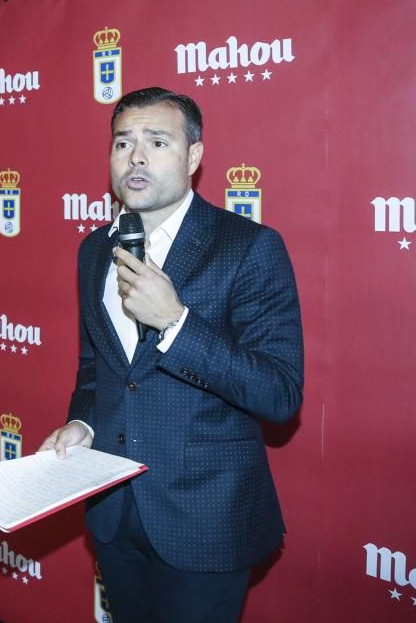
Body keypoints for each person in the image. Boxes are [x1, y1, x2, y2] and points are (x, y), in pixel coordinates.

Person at [39, 87, 304, 622]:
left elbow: (279, 393)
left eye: (157, 142)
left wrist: (177, 324)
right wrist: (83, 425)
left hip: (205, 518)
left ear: (194, 156)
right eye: (122, 143)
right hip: (112, 512)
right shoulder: (94, 249)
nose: (135, 157)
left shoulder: (249, 246)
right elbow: (97, 369)